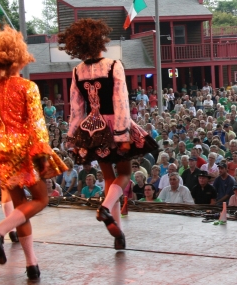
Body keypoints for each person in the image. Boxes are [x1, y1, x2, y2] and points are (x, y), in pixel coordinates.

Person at [0, 23, 68, 280]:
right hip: (22, 153)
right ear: (17, 57)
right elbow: (37, 125)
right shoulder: (27, 87)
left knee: (21, 208)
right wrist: (42, 153)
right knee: (41, 200)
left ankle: (31, 264)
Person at [59, 19, 158, 250]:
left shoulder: (76, 71)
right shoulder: (114, 65)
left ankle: (117, 234)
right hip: (114, 124)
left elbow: (75, 110)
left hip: (91, 128)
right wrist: (123, 134)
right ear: (100, 40)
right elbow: (121, 101)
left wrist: (72, 138)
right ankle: (105, 209)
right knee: (124, 173)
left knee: (108, 177)